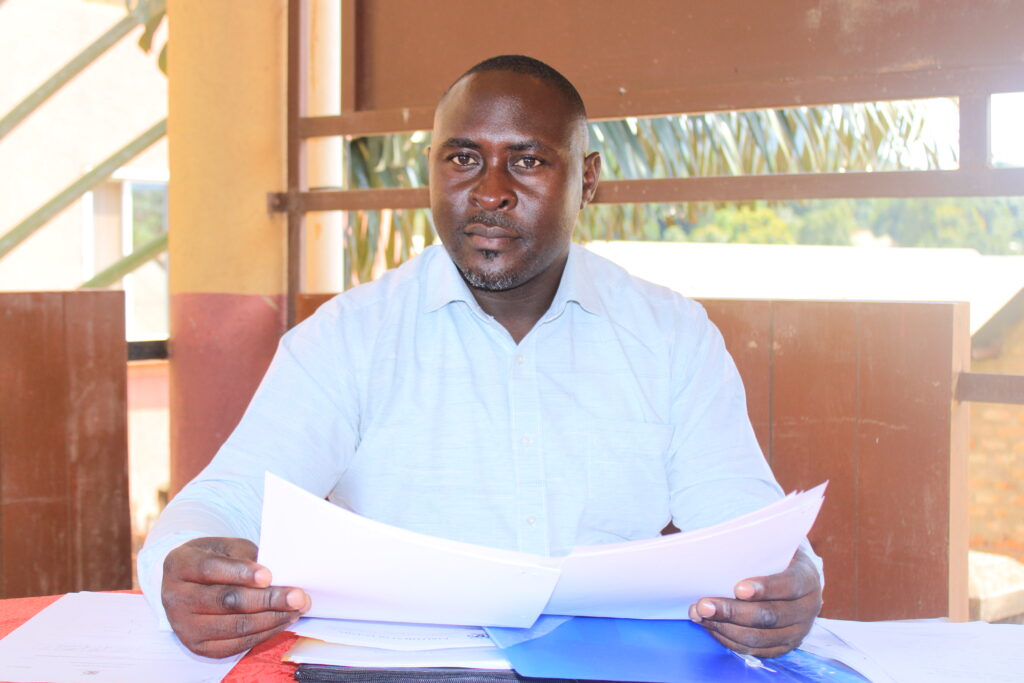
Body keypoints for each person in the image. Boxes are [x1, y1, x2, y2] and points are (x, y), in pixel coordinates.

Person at [140, 55, 823, 660]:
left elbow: (747, 525)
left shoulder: (672, 337)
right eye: (463, 158)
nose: (490, 190)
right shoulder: (349, 337)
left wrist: (789, 578)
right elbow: (223, 502)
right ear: (432, 169)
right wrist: (185, 568)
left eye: (527, 160)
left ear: (588, 181)